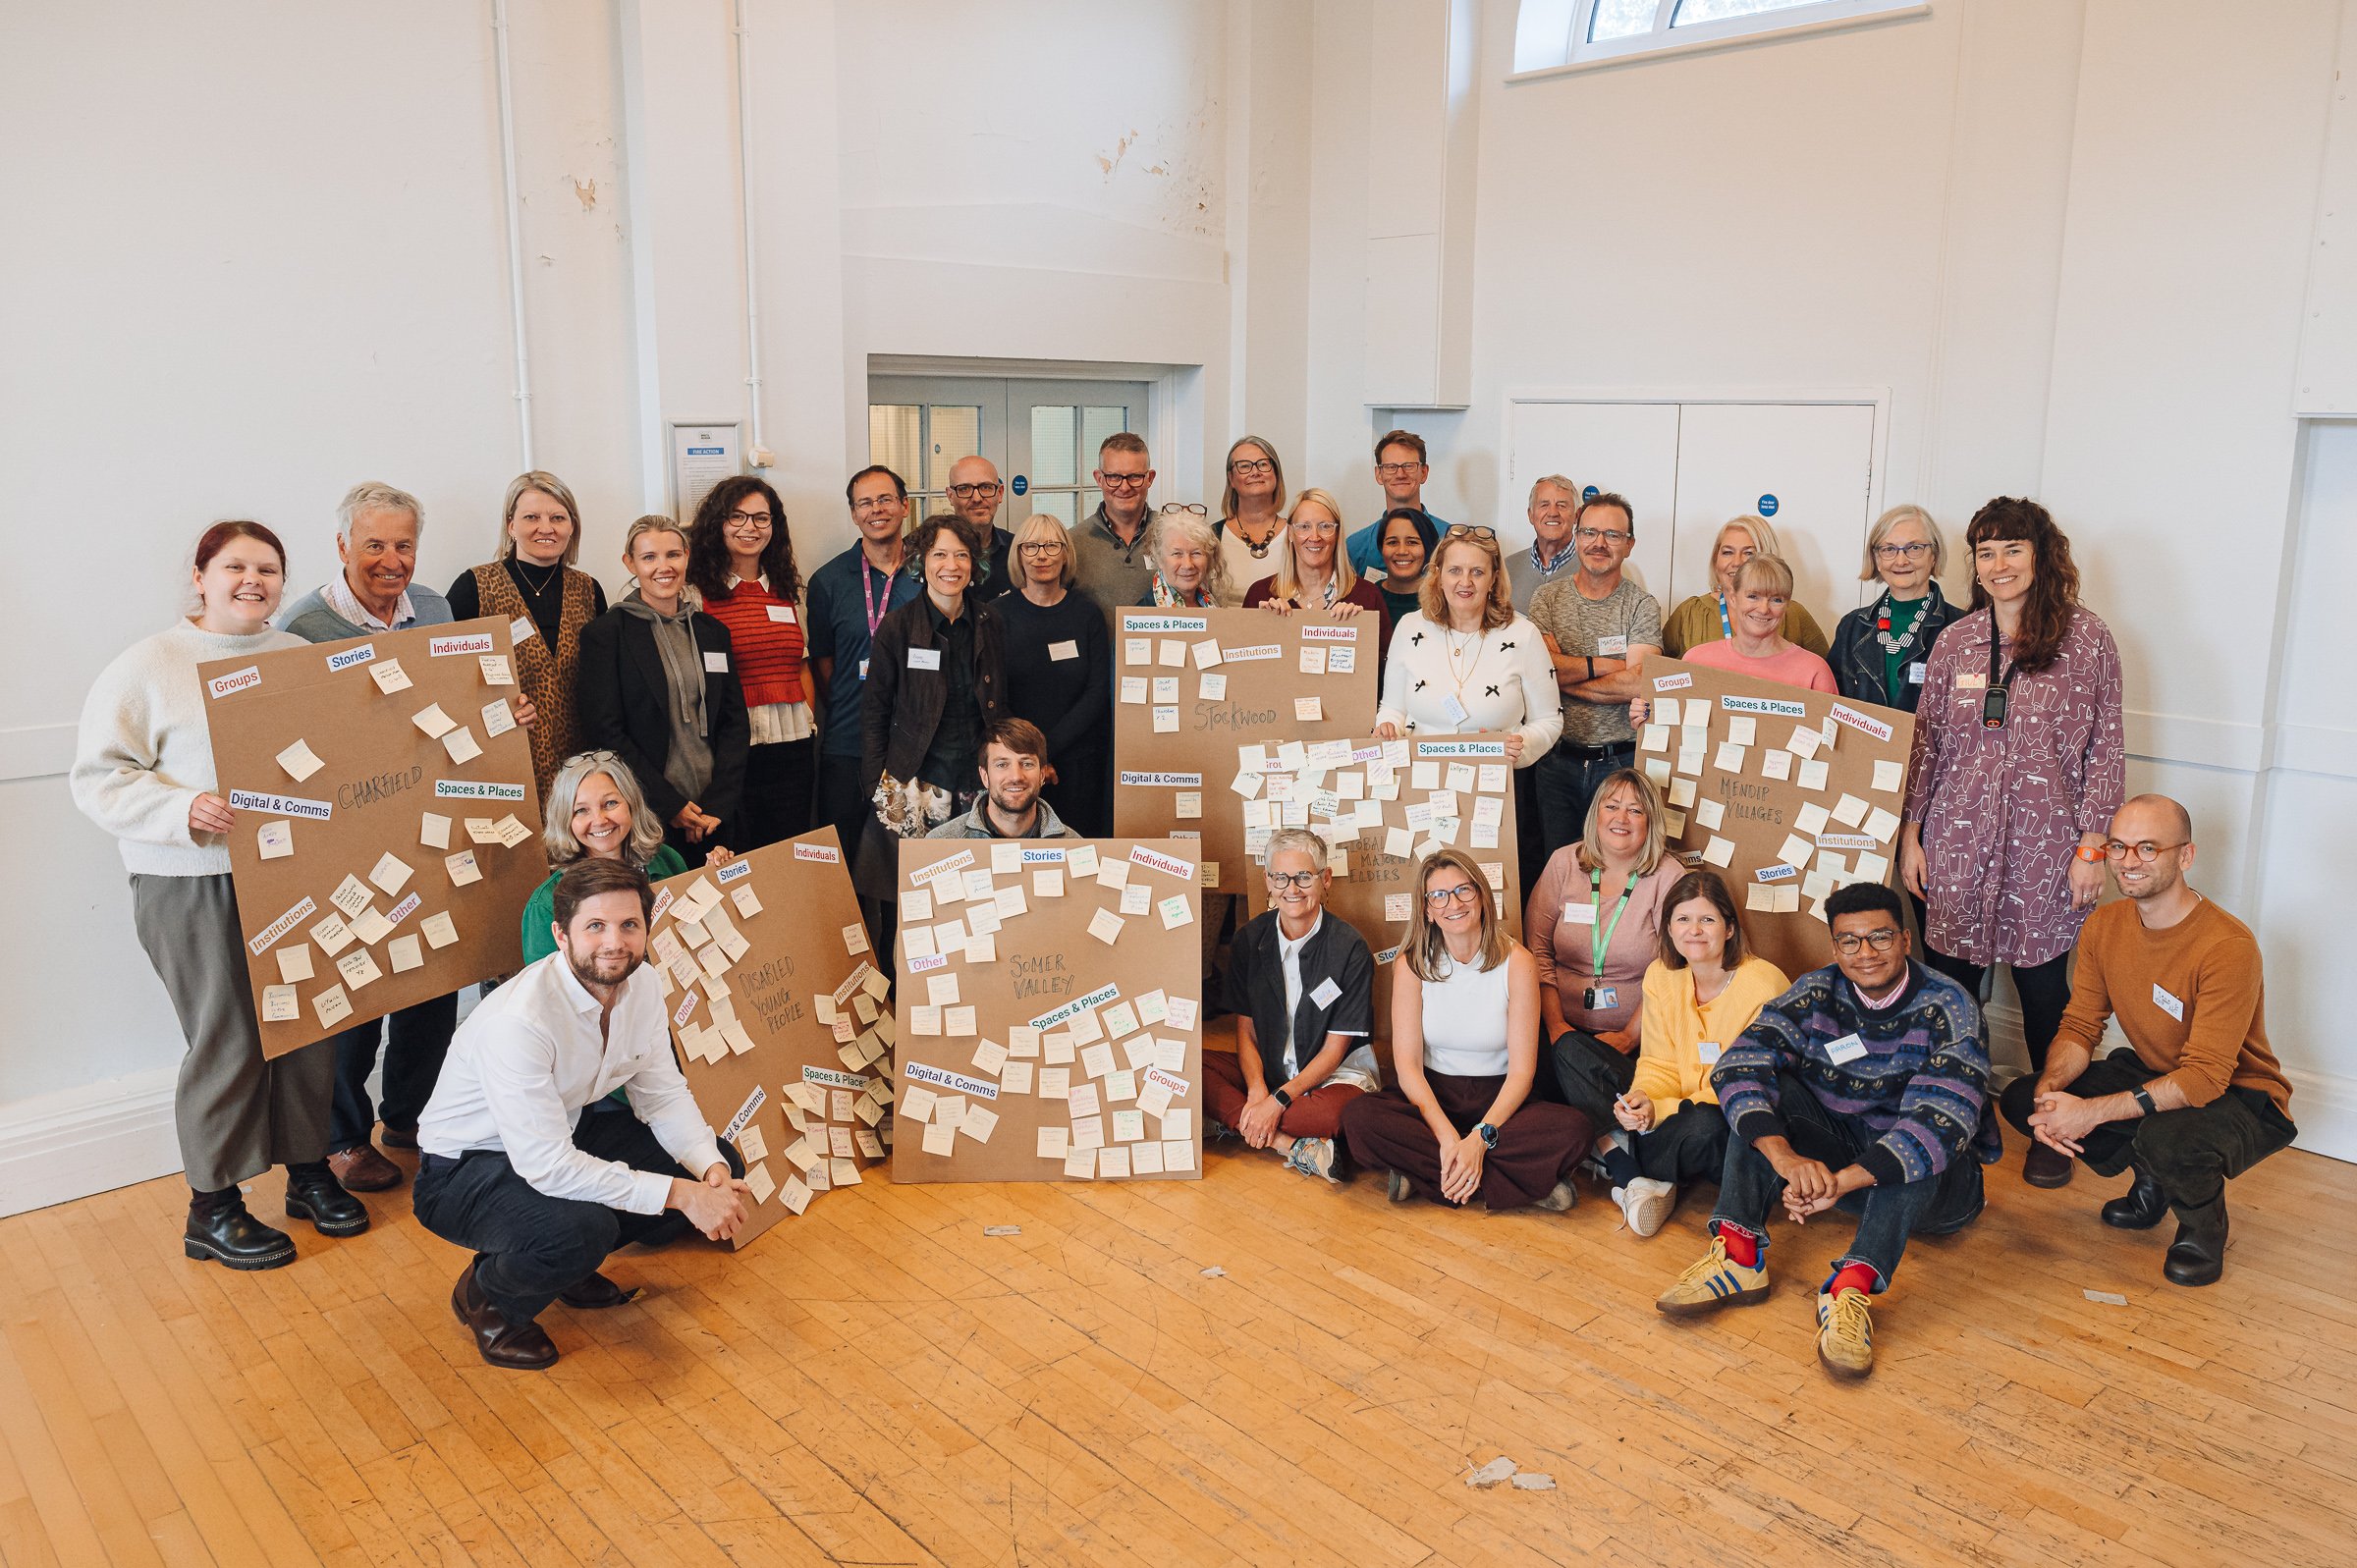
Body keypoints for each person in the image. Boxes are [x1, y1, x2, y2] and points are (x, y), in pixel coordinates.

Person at [73, 520, 364, 1269]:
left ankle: (306, 1173)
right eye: (234, 566)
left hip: (291, 874)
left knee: (306, 1026)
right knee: (227, 1037)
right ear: (199, 576)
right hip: (192, 882)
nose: (252, 580)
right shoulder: (149, 664)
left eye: (267, 568)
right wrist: (183, 811)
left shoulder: (298, 657)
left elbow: (357, 744)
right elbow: (99, 777)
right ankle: (214, 1206)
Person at [279, 483, 531, 1195]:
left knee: (432, 979)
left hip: (432, 825)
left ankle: (411, 1115)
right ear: (342, 547)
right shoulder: (304, 628)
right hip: (350, 836)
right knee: (355, 993)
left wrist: (499, 713)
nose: (391, 561)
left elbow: (449, 707)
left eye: (403, 545)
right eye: (375, 545)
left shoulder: (436, 609)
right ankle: (340, 1139)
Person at [413, 859, 750, 1370]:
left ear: (646, 929)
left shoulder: (646, 988)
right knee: (581, 1228)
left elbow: (661, 1094)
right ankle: (488, 1296)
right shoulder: (520, 1021)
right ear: (561, 935)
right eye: (595, 926)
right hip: (464, 1168)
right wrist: (685, 1197)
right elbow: (546, 1166)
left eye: (629, 925)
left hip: (563, 1129)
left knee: (716, 1159)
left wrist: (711, 1174)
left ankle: (566, 1269)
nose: (614, 942)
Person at [1655, 883, 1992, 1381]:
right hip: (1842, 1166)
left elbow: (1943, 1122)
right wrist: (1784, 1159)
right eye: (1850, 941)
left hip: (1936, 1194)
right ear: (1835, 947)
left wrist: (1840, 1181)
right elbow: (1738, 1066)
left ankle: (1849, 1287)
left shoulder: (1950, 1005)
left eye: (1880, 937)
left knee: (1923, 1138)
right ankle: (1739, 1256)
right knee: (1763, 1090)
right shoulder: (1817, 990)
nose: (1866, 953)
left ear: (1904, 939)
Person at [1900, 497, 2123, 1189]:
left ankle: (2054, 1126)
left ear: (2041, 554)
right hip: (1956, 843)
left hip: (2046, 850)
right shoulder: (1956, 642)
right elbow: (1927, 744)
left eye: (2012, 549)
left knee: (2048, 997)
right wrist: (1912, 835)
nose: (1998, 565)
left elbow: (2105, 749)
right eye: (1986, 552)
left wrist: (2093, 847)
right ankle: (1955, 1118)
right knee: (1950, 992)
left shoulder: (2088, 640)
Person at [1999, 796, 2295, 1287]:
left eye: (2148, 848)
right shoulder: (2104, 925)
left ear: (2185, 856)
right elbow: (2079, 1026)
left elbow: (2204, 1078)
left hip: (2241, 1093)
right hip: (2157, 1071)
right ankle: (2152, 1179)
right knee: (2019, 1097)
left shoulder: (2228, 947)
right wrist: (2053, 1092)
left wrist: (2090, 1112)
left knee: (2165, 1137)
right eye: (2118, 845)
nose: (2129, 860)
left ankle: (2203, 1227)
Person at [1339, 850, 1590, 1211]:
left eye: (1463, 891)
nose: (1452, 903)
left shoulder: (1517, 962)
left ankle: (1428, 1176)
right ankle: (1522, 1185)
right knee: (1359, 1119)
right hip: (1433, 1098)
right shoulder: (1411, 964)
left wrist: (1479, 1140)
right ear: (1426, 909)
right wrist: (1446, 1138)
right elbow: (1408, 1067)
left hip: (1501, 1101)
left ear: (1481, 896)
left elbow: (1522, 1073)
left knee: (1574, 1130)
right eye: (1437, 896)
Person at [1603, 872, 1789, 1237]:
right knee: (1570, 1052)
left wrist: (1664, 1110)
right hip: (1674, 1116)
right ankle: (1637, 1160)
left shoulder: (1764, 986)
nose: (1695, 931)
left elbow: (1750, 1086)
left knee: (1705, 1125)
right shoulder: (1661, 975)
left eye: (1707, 919)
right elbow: (1657, 1061)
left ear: (1730, 928)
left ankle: (1627, 1165)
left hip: (1731, 1122)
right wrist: (1645, 1098)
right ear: (1669, 929)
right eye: (1683, 919)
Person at [1211, 830, 1381, 1185]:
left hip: (1332, 1078)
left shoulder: (1350, 948)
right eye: (1280, 877)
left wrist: (1278, 1101)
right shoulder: (1249, 939)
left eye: (1304, 876)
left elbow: (1335, 1052)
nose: (1292, 888)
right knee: (1189, 1071)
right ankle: (1292, 1146)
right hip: (1271, 1073)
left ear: (1325, 879)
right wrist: (1258, 1089)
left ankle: (1238, 1122)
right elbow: (1246, 1029)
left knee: (1342, 1116)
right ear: (1268, 882)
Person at [576, 516, 748, 864]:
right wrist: (671, 806)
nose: (663, 567)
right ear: (630, 562)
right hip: (648, 812)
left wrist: (718, 803)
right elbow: (605, 732)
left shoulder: (712, 631)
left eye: (673, 555)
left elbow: (734, 721)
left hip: (715, 814)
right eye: (649, 557)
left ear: (687, 556)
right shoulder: (607, 635)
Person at [854, 516, 1009, 904]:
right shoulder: (897, 627)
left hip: (977, 780)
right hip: (915, 782)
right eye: (939, 555)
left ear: (975, 565)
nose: (951, 566)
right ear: (921, 563)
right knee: (910, 899)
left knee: (976, 896)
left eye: (961, 555)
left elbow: (1004, 702)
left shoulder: (992, 622)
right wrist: (876, 784)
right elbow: (874, 712)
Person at [1524, 770, 1683, 1141]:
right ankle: (1613, 1144)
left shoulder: (1668, 876)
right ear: (1596, 814)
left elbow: (1673, 968)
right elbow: (1538, 951)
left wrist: (1629, 1035)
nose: (1621, 818)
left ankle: (1601, 1142)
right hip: (1557, 1029)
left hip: (1634, 1041)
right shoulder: (1564, 863)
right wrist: (1557, 1028)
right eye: (1611, 806)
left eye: (1635, 810)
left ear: (1652, 821)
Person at [447, 470, 607, 803]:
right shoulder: (474, 588)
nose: (545, 528)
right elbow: (445, 680)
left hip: (581, 768)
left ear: (572, 526)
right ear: (510, 524)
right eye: (531, 517)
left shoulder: (589, 590)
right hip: (503, 761)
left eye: (557, 517)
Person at [1526, 491, 1663, 855]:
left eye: (1613, 535)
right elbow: (1543, 670)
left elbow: (1638, 681)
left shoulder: (1643, 606)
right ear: (1576, 535)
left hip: (1621, 766)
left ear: (1629, 544)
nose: (1599, 543)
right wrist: (1608, 666)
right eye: (1589, 532)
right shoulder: (1546, 599)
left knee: (1620, 866)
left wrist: (1562, 676)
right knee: (1560, 869)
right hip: (1556, 763)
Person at [686, 475, 812, 849]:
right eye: (736, 517)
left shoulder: (788, 591)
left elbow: (802, 665)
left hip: (792, 744)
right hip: (729, 748)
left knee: (786, 850)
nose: (750, 528)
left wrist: (812, 725)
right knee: (734, 852)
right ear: (717, 524)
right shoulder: (694, 593)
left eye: (761, 518)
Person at [1374, 526, 1562, 774]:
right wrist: (1387, 726)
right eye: (1455, 571)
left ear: (1494, 578)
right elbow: (1392, 708)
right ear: (1438, 575)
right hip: (1421, 781)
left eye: (1477, 572)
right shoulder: (1409, 628)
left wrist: (1522, 746)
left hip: (1493, 784)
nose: (1465, 582)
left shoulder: (1523, 634)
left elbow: (1549, 719)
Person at [806, 465, 922, 859]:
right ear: (854, 514)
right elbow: (824, 663)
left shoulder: (931, 572)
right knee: (843, 859)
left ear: (905, 506)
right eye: (865, 503)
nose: (876, 509)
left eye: (885, 499)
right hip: (848, 742)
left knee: (908, 863)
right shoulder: (828, 581)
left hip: (916, 745)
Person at [520, 751, 708, 966]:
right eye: (581, 810)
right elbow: (546, 991)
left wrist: (715, 882)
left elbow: (695, 938)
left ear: (631, 804)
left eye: (610, 803)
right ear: (565, 820)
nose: (599, 820)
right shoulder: (544, 906)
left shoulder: (667, 860)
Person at [996, 514, 1112, 835]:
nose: (1041, 555)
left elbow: (1097, 690)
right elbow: (993, 695)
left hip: (1078, 761)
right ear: (1018, 554)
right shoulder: (996, 616)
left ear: (1066, 554)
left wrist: (1048, 751)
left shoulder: (1087, 614)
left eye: (1051, 545)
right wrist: (1032, 757)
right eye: (1030, 547)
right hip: (1016, 764)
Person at [1830, 504, 1962, 710]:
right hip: (1863, 743)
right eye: (1889, 549)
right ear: (1877, 559)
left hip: (1929, 743)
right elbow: (1832, 704)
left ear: (1934, 555)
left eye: (1915, 548)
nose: (1901, 561)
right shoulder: (1851, 627)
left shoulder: (1961, 629)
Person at [1240, 488, 1393, 662]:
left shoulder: (1367, 596)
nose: (1314, 537)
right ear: (1290, 533)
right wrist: (1264, 627)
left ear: (1337, 533)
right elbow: (1245, 672)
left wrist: (1359, 631)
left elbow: (1384, 673)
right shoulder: (1260, 595)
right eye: (1304, 527)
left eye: (1325, 526)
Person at [1658, 515, 1830, 660]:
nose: (1737, 562)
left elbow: (1825, 683)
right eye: (1727, 552)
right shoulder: (1690, 613)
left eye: (1749, 553)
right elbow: (1659, 675)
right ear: (1715, 559)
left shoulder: (1793, 614)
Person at [1671, 555, 1836, 693]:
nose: (1764, 609)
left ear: (1787, 605)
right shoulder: (1696, 660)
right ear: (1733, 598)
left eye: (1776, 600)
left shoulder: (1814, 671)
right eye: (1753, 596)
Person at [924, 718, 1081, 840]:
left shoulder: (1074, 847)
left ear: (1042, 775)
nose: (1016, 776)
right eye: (1002, 764)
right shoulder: (939, 843)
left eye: (1027, 764)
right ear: (985, 776)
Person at [1070, 432, 1158, 616]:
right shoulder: (1072, 543)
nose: (1124, 487)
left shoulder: (1174, 538)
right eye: (1114, 477)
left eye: (1134, 477)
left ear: (1150, 478)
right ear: (1099, 478)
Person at [1345, 429, 1453, 574]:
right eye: (1391, 467)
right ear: (1378, 474)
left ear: (1424, 473)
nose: (1400, 474)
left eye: (1409, 466)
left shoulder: (1449, 540)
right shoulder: (1356, 547)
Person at [1213, 436, 1288, 605]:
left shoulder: (1299, 535)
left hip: (1283, 630)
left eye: (1263, 464)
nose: (1255, 472)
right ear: (1231, 478)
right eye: (1244, 466)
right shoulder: (1211, 537)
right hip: (1224, 629)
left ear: (1276, 473)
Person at [1506, 474, 1583, 611]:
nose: (1553, 513)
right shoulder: (1507, 567)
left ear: (1576, 516)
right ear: (1530, 515)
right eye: (1544, 505)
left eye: (1562, 505)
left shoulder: (1591, 568)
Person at [944, 455, 1015, 597]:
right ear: (950, 496)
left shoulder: (1018, 551)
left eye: (986, 487)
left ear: (1000, 494)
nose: (977, 498)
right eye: (964, 489)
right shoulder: (927, 553)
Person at [1139, 504, 1229, 609]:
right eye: (1177, 554)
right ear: (1159, 558)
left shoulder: (1211, 603)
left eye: (1196, 553)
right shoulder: (1143, 615)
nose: (1188, 565)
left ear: (1208, 558)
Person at [1373, 506, 1438, 625]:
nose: (1402, 551)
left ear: (1429, 548)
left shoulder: (1443, 601)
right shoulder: (1367, 599)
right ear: (1382, 548)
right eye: (1392, 542)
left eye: (1412, 542)